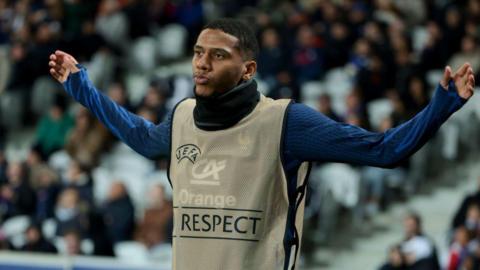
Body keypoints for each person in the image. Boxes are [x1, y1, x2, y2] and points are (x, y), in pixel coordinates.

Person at [48, 18, 475, 270]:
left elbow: (383, 150)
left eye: (217, 55)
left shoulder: (285, 121)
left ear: (248, 68)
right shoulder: (180, 118)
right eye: (198, 52)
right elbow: (139, 136)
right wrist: (80, 85)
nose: (201, 62)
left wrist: (443, 104)